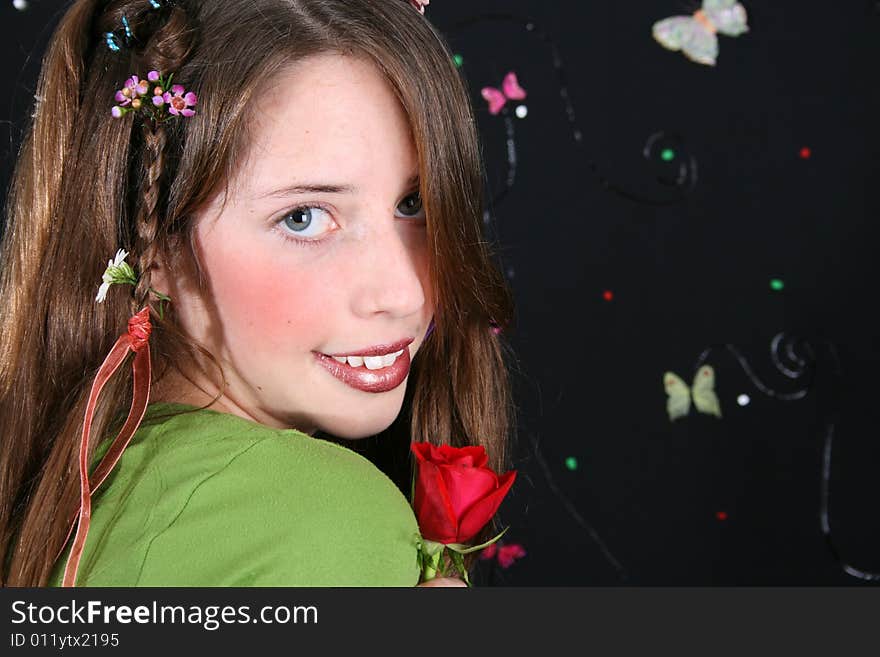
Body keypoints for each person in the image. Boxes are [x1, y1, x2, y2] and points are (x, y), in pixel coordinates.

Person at [0, 0, 515, 587]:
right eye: (303, 218)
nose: (402, 293)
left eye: (415, 204)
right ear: (154, 247)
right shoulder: (324, 516)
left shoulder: (69, 483)